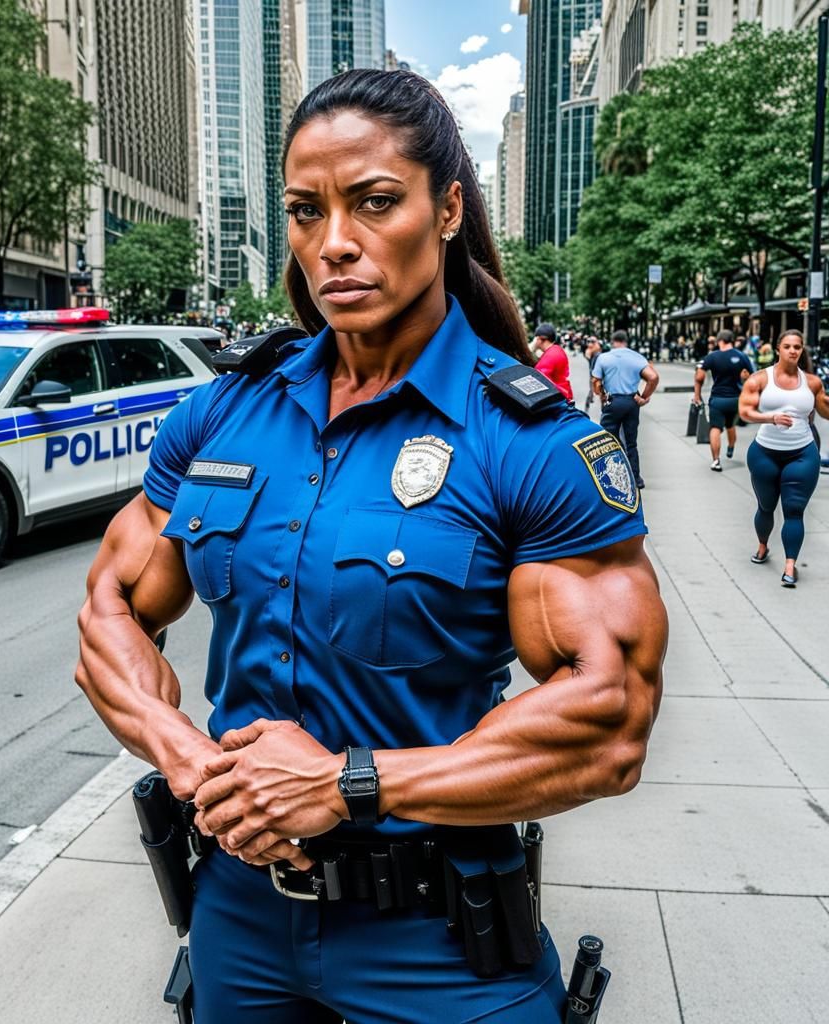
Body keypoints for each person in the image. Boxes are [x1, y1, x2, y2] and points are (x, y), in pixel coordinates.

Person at [76, 69, 667, 1024]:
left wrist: (344, 785)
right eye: (305, 212)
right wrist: (187, 759)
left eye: (375, 201)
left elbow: (611, 719)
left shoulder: (531, 442)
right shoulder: (221, 415)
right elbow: (110, 607)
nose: (334, 243)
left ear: (447, 211)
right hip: (241, 916)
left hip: (440, 937)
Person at [739, 329, 829, 587]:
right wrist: (771, 417)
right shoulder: (759, 379)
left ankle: (790, 565)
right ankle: (763, 546)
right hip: (765, 453)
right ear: (778, 348)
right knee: (766, 506)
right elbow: (745, 411)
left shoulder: (811, 383)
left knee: (793, 510)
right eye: (787, 346)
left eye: (797, 347)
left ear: (802, 350)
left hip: (802, 455)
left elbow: (825, 411)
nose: (792, 351)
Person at [592, 329, 660, 489]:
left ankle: (613, 476)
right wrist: (643, 397)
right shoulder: (637, 357)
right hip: (631, 402)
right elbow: (653, 377)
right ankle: (636, 478)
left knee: (609, 440)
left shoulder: (603, 357)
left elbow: (596, 382)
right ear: (626, 342)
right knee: (632, 442)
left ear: (612, 341)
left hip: (612, 402)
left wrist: (601, 394)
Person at [694, 328, 754, 471]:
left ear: (719, 341)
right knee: (730, 425)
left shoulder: (712, 357)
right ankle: (731, 447)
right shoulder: (742, 356)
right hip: (735, 399)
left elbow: (699, 377)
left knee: (715, 428)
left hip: (718, 399)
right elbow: (752, 377)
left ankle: (716, 461)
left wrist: (697, 395)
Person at [530, 322, 573, 401]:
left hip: (556, 398)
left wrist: (530, 350)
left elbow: (538, 378)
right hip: (563, 394)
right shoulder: (556, 350)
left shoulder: (550, 355)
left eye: (535, 338)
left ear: (539, 339)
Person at [583, 336, 602, 412]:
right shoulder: (589, 350)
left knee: (600, 393)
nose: (590, 343)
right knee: (592, 391)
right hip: (593, 375)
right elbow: (587, 356)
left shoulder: (598, 350)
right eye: (589, 341)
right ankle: (586, 409)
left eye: (593, 341)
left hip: (598, 376)